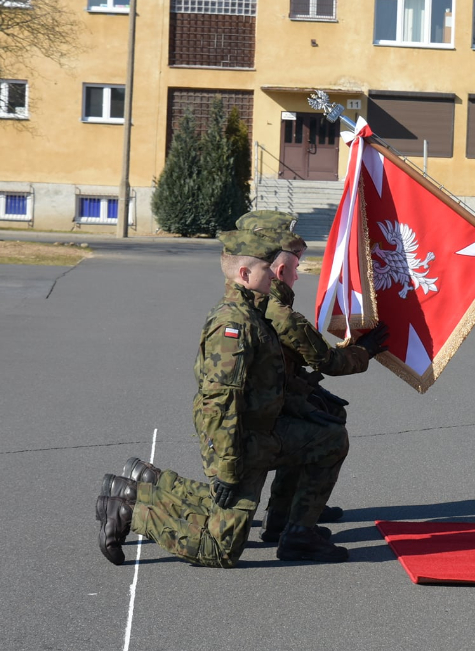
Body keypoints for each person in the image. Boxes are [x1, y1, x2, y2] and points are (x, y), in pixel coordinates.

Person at [96, 229, 388, 568]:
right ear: (246, 274)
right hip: (237, 441)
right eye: (267, 269)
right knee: (221, 548)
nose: (276, 277)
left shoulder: (253, 311)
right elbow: (220, 403)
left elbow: (268, 381)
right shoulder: (234, 325)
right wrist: (227, 468)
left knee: (329, 438)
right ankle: (130, 509)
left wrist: (303, 405)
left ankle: (295, 533)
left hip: (257, 432)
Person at [233, 211, 389, 541]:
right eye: (296, 266)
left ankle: (287, 512)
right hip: (260, 420)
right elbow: (328, 361)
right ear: (278, 270)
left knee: (326, 410)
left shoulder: (254, 299)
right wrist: (366, 350)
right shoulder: (278, 311)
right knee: (328, 433)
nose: (298, 275)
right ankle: (295, 519)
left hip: (268, 403)